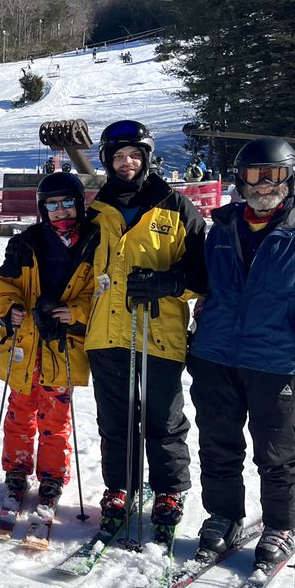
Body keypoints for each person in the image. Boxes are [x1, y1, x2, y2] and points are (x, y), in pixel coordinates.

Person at [188, 138, 295, 568]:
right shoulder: (219, 227)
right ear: (241, 179)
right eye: (254, 175)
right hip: (214, 354)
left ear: (289, 176)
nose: (263, 185)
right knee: (218, 445)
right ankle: (223, 515)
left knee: (275, 453)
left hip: (276, 359)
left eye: (272, 175)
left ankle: (279, 525)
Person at [85, 119, 206, 533]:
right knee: (115, 421)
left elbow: (205, 275)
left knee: (163, 420)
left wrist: (170, 281)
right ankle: (120, 486)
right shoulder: (95, 211)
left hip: (157, 333)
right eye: (118, 156)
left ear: (148, 159)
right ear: (106, 160)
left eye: (135, 155)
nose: (127, 163)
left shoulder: (175, 207)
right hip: (106, 333)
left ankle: (170, 489)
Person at [0, 172, 98, 510]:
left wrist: (76, 311)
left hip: (62, 344)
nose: (61, 211)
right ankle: (17, 468)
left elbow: (99, 292)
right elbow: (2, 286)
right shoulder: (26, 242)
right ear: (42, 209)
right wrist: (9, 309)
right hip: (26, 344)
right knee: (20, 410)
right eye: (53, 205)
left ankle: (52, 474)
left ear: (79, 204)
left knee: (55, 415)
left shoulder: (93, 243)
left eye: (68, 203)